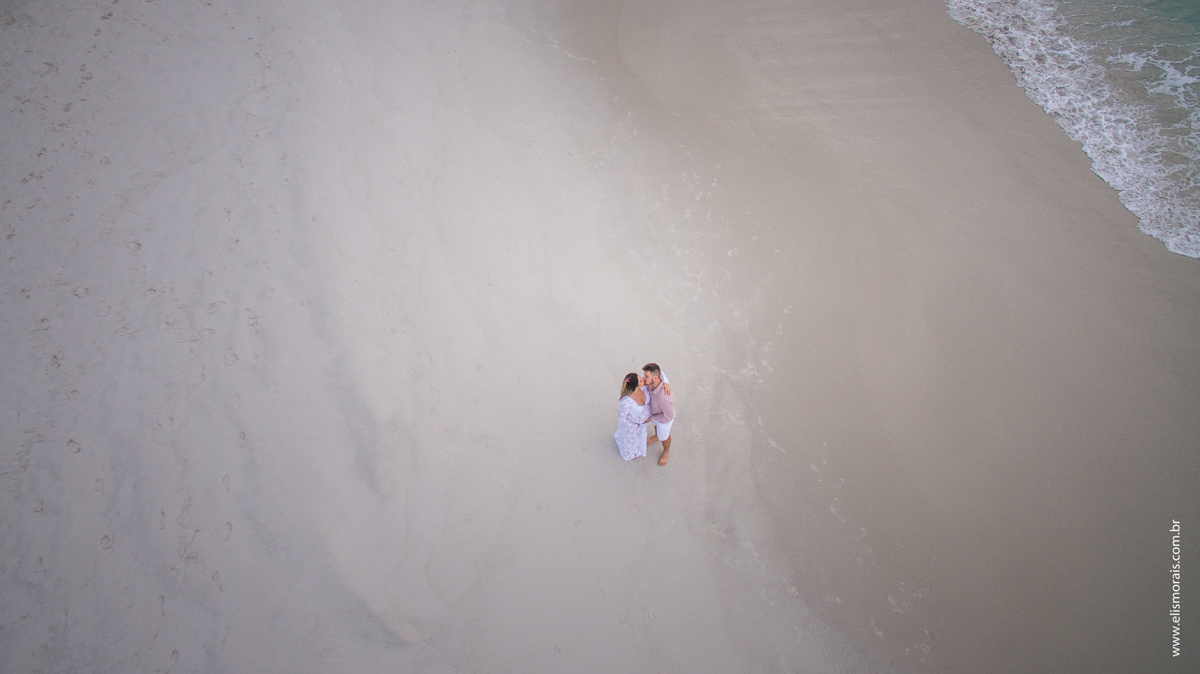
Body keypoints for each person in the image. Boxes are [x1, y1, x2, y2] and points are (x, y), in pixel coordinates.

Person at [642, 363, 676, 465]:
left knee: (663, 437)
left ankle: (666, 451)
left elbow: (669, 416)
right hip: (656, 413)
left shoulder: (664, 398)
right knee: (656, 426)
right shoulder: (652, 382)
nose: (643, 378)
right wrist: (666, 381)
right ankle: (656, 436)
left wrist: (652, 418)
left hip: (664, 420)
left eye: (646, 376)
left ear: (655, 378)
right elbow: (662, 373)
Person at [613, 373, 651, 461]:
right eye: (640, 380)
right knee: (631, 443)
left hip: (642, 424)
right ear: (636, 386)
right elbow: (622, 418)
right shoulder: (626, 402)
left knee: (640, 438)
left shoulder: (644, 388)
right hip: (632, 427)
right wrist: (634, 426)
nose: (643, 379)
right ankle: (630, 453)